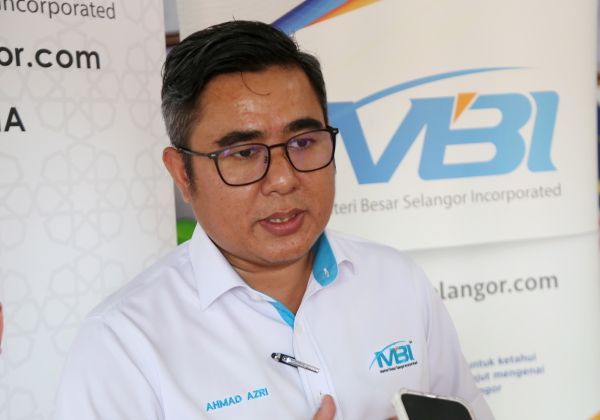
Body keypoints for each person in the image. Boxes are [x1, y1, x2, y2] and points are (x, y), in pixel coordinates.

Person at [53, 20, 494, 420]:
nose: (283, 179)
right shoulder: (123, 343)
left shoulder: (396, 280)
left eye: (303, 142)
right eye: (244, 152)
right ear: (182, 174)